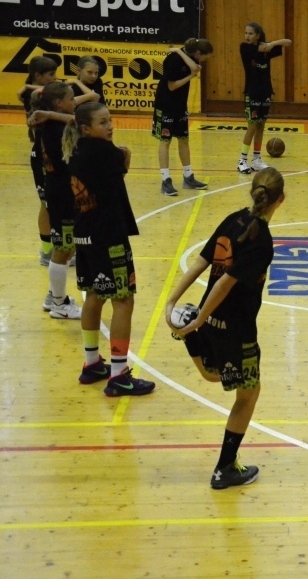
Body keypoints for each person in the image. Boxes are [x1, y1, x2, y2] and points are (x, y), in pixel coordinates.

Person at [165, 167, 285, 488]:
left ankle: (191, 338)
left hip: (211, 320)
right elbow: (225, 285)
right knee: (248, 393)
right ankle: (225, 468)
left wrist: (172, 301)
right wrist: (197, 319)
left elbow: (201, 262)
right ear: (281, 200)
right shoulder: (262, 240)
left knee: (214, 373)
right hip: (237, 327)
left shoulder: (233, 219)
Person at [62, 102, 156, 396]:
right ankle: (119, 374)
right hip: (108, 238)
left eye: (110, 120)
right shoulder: (105, 152)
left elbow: (105, 185)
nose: (110, 126)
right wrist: (125, 157)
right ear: (86, 128)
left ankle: (92, 363)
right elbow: (120, 168)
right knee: (123, 300)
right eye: (102, 122)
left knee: (94, 296)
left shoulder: (75, 151)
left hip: (84, 235)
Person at [32, 82, 90, 319]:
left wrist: (47, 113)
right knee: (64, 248)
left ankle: (53, 296)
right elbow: (80, 121)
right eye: (71, 98)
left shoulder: (49, 122)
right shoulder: (58, 127)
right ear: (58, 103)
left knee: (66, 246)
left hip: (58, 189)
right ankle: (58, 304)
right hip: (62, 192)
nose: (74, 102)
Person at [152, 38, 213, 196]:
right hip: (166, 104)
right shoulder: (172, 60)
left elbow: (195, 68)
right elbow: (172, 86)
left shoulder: (190, 57)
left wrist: (179, 51)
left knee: (184, 139)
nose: (204, 61)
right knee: (165, 141)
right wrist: (190, 76)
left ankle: (188, 176)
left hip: (180, 106)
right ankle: (166, 180)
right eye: (204, 57)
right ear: (198, 52)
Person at [237, 23, 292, 174]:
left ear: (258, 35)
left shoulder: (266, 48)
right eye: (246, 33)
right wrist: (269, 45)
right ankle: (242, 160)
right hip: (252, 92)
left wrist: (271, 44)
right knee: (252, 125)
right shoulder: (245, 48)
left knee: (261, 125)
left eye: (250, 33)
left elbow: (288, 42)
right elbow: (265, 48)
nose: (247, 36)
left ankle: (256, 159)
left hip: (265, 92)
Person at [18, 56, 58, 266]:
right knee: (46, 204)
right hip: (41, 155)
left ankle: (59, 247)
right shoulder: (34, 94)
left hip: (51, 152)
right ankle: (46, 251)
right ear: (37, 75)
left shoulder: (37, 90)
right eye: (51, 74)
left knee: (56, 203)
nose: (55, 78)